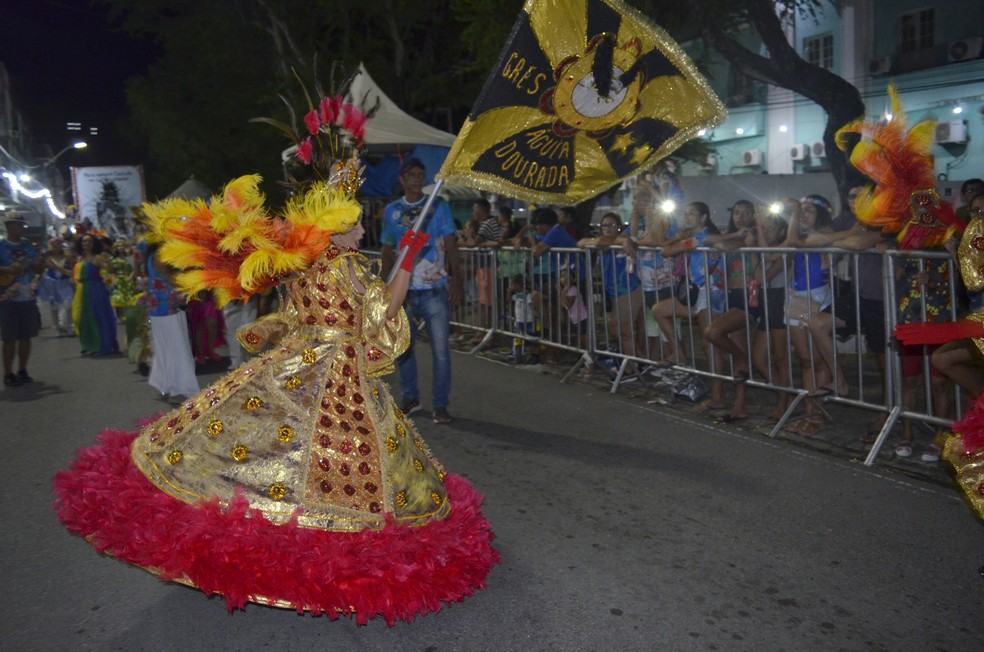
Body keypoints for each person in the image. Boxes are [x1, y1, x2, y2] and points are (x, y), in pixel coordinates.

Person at [54, 168, 497, 624]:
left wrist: (264, 328)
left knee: (265, 441)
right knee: (337, 462)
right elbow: (381, 311)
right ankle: (326, 551)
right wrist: (407, 260)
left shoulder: (303, 264)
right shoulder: (344, 264)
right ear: (335, 228)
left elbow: (291, 317)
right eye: (356, 224)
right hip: (334, 372)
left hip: (295, 361)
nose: (364, 230)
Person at [380, 157, 463, 424]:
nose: (417, 179)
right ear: (402, 180)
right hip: (404, 292)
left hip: (435, 289)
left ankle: (440, 404)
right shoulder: (392, 210)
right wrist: (385, 288)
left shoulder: (438, 206)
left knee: (441, 351)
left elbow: (451, 243)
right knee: (404, 349)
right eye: (411, 175)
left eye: (420, 174)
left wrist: (457, 280)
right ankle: (411, 398)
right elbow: (387, 248)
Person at [650, 201, 725, 410]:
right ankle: (679, 354)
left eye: (692, 214)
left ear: (703, 218)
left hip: (710, 293)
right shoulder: (693, 238)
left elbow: (666, 252)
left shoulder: (702, 237)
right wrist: (679, 237)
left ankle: (718, 396)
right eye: (686, 213)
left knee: (709, 344)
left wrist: (680, 240)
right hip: (697, 294)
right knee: (660, 310)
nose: (687, 216)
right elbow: (666, 249)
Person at [578, 212, 644, 376]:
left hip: (627, 290)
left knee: (625, 331)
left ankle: (632, 368)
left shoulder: (625, 239)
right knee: (616, 329)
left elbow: (628, 240)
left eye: (612, 225)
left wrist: (618, 240)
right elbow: (580, 243)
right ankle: (638, 360)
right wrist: (603, 241)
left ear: (619, 226)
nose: (607, 228)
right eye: (604, 225)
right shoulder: (603, 243)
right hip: (613, 293)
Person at [512, 207, 578, 365]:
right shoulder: (553, 232)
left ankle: (555, 347)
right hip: (564, 277)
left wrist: (532, 241)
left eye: (538, 226)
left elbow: (537, 251)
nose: (536, 229)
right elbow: (520, 243)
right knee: (553, 312)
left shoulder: (554, 232)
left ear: (544, 225)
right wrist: (522, 236)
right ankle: (553, 345)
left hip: (570, 278)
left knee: (549, 307)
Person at [144, 243, 199, 403]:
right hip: (166, 309)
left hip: (162, 308)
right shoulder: (161, 254)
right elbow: (169, 277)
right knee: (177, 349)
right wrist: (190, 285)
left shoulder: (155, 254)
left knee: (167, 349)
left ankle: (167, 385)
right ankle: (179, 389)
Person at [0, 213, 42, 386]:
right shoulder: (1, 245)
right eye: (18, 224)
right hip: (7, 297)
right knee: (9, 337)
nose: (21, 228)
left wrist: (41, 264)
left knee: (26, 335)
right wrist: (9, 270)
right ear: (9, 226)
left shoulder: (27, 245)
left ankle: (22, 369)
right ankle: (8, 373)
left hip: (27, 296)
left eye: (22, 225)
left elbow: (36, 267)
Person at [71, 233, 119, 356]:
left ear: (94, 244)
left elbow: (110, 270)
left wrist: (108, 263)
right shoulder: (79, 259)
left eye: (89, 242)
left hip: (95, 290)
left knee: (96, 317)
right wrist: (57, 268)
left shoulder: (97, 258)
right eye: (84, 242)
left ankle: (99, 345)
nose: (86, 244)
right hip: (81, 291)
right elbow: (74, 275)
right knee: (81, 318)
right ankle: (88, 345)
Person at [472, 198, 504, 345]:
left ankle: (486, 331)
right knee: (486, 301)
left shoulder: (487, 224)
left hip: (487, 267)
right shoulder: (489, 223)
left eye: (475, 210)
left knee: (487, 302)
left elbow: (474, 242)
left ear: (482, 210)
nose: (474, 213)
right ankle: (486, 331)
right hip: (485, 267)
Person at [37, 237, 76, 337]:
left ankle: (69, 326)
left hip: (64, 282)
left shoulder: (67, 257)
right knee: (53, 306)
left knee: (68, 304)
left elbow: (73, 269)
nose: (56, 248)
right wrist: (45, 252)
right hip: (51, 283)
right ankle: (57, 327)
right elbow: (39, 255)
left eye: (58, 245)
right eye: (53, 246)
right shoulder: (47, 257)